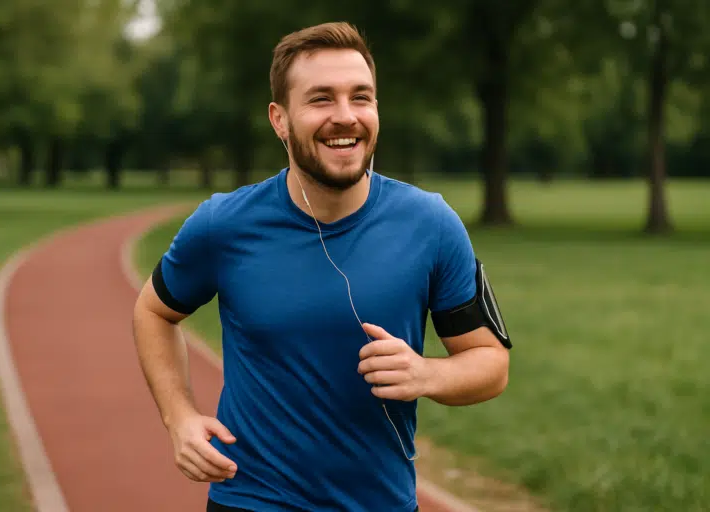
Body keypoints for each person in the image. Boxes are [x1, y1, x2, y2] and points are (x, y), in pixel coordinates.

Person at [132, 21, 512, 512]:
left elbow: (492, 365)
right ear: (280, 119)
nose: (345, 116)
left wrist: (426, 375)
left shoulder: (431, 224)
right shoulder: (222, 225)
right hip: (252, 500)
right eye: (320, 99)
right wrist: (178, 417)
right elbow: (153, 312)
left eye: (361, 97)